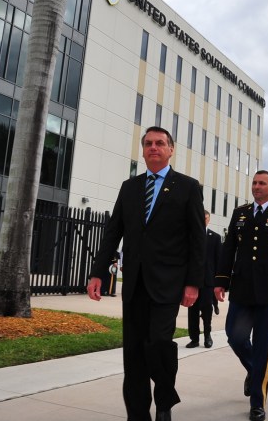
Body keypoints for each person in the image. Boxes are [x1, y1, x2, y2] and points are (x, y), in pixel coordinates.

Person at [87, 126, 205, 421]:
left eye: (160, 143)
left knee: (159, 344)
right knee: (134, 354)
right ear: (143, 150)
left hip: (168, 285)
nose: (154, 147)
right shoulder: (130, 188)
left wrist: (193, 283)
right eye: (149, 144)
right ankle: (137, 414)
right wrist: (97, 273)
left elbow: (197, 240)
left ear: (171, 149)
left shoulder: (188, 187)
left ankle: (163, 402)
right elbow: (113, 233)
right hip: (135, 284)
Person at [214, 170, 268, 421]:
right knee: (235, 336)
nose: (256, 187)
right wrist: (221, 280)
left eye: (262, 183)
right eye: (254, 183)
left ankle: (258, 402)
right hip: (242, 288)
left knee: (262, 346)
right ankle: (254, 370)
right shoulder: (241, 212)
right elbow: (229, 247)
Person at [186, 210, 221, 349]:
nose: (203, 221)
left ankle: (207, 335)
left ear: (209, 220)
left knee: (207, 310)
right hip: (192, 281)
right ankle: (194, 338)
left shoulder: (215, 237)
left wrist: (218, 282)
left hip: (208, 281)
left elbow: (218, 260)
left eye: (206, 219)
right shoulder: (190, 236)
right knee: (192, 311)